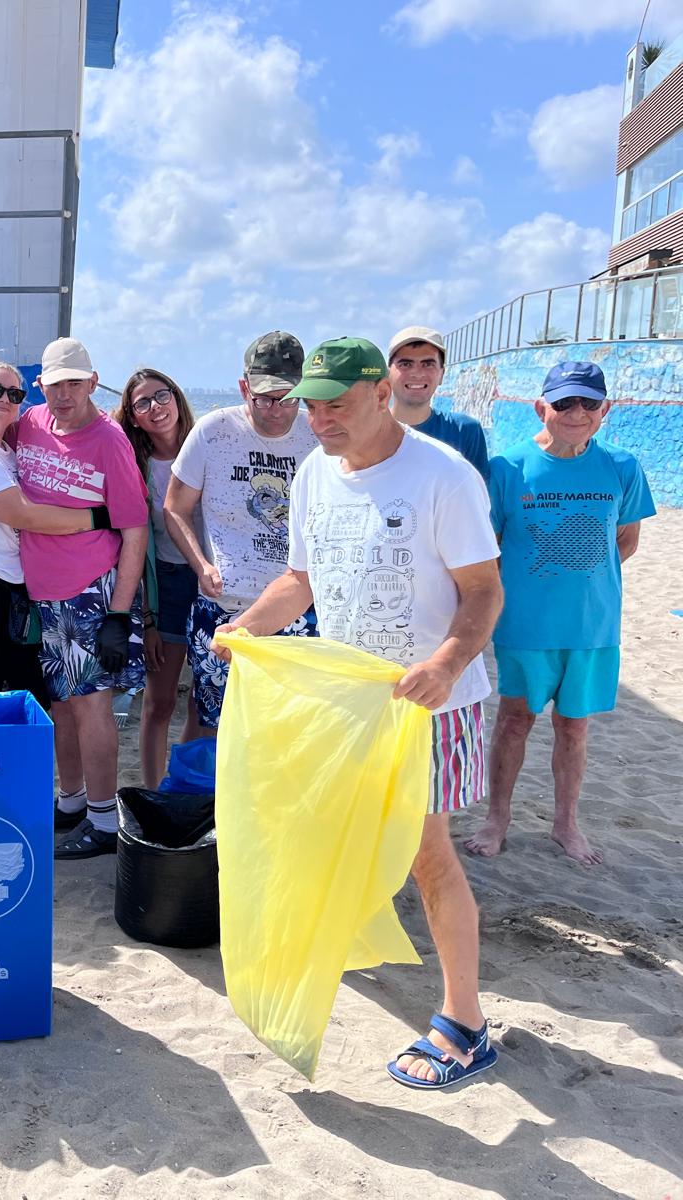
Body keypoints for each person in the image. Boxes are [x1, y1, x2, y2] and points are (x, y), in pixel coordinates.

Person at [217, 336, 504, 1090]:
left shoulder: (444, 476)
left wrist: (444, 664)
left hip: (430, 704)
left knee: (426, 855)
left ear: (382, 392)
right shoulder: (314, 474)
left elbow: (483, 592)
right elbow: (299, 581)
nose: (318, 419)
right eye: (310, 404)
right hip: (353, 705)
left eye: (335, 404)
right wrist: (247, 627)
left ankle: (466, 1025)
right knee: (329, 835)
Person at [465, 361, 654, 865]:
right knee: (513, 721)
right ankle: (496, 818)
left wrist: (576, 574)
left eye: (589, 403)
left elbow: (626, 541)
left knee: (574, 726)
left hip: (592, 627)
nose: (577, 413)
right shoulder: (508, 468)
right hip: (525, 625)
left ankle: (566, 824)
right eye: (565, 402)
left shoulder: (622, 466)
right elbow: (491, 547)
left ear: (605, 411)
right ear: (541, 407)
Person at [17, 338, 149, 858]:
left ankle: (101, 818)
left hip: (92, 591)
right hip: (44, 594)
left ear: (94, 383)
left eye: (75, 382)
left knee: (93, 706)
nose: (65, 394)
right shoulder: (29, 422)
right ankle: (71, 801)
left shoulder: (109, 441)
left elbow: (135, 531)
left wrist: (119, 612)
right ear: (40, 386)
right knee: (62, 706)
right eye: (55, 384)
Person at [163, 331, 320, 735]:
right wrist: (200, 565)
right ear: (243, 386)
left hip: (298, 608)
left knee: (290, 728)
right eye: (264, 398)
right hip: (223, 606)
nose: (276, 411)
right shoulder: (213, 431)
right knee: (217, 723)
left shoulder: (319, 435)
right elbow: (175, 508)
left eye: (288, 397)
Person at [0, 356, 107, 700]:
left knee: (24, 687)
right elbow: (22, 515)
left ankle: (12, 752)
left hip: (7, 582)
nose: (4, 399)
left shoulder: (4, 449)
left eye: (14, 395)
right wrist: (98, 518)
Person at [114, 367, 202, 786]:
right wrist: (147, 619)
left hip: (215, 586)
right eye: (142, 403)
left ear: (176, 396)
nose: (155, 408)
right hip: (164, 584)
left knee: (208, 702)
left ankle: (182, 785)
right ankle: (154, 793)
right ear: (132, 416)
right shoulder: (136, 465)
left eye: (161, 396)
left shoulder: (210, 446)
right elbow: (138, 547)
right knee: (159, 701)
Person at [386, 326, 489, 476]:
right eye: (405, 364)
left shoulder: (464, 431)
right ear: (388, 373)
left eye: (428, 364)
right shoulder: (367, 431)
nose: (417, 373)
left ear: (441, 374)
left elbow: (480, 495)